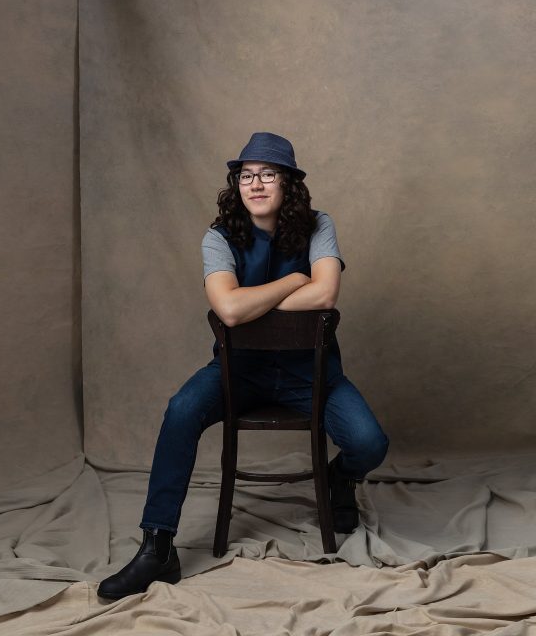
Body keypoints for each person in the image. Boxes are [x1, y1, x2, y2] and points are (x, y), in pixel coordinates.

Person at [97, 132, 389, 600]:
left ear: (288, 183)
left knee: (371, 443)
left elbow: (326, 294)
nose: (255, 184)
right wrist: (296, 279)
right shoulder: (218, 237)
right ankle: (157, 546)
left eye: (267, 175)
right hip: (239, 371)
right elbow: (229, 311)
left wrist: (255, 302)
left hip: (310, 374)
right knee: (181, 410)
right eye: (246, 176)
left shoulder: (319, 225)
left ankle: (339, 477)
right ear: (237, 185)